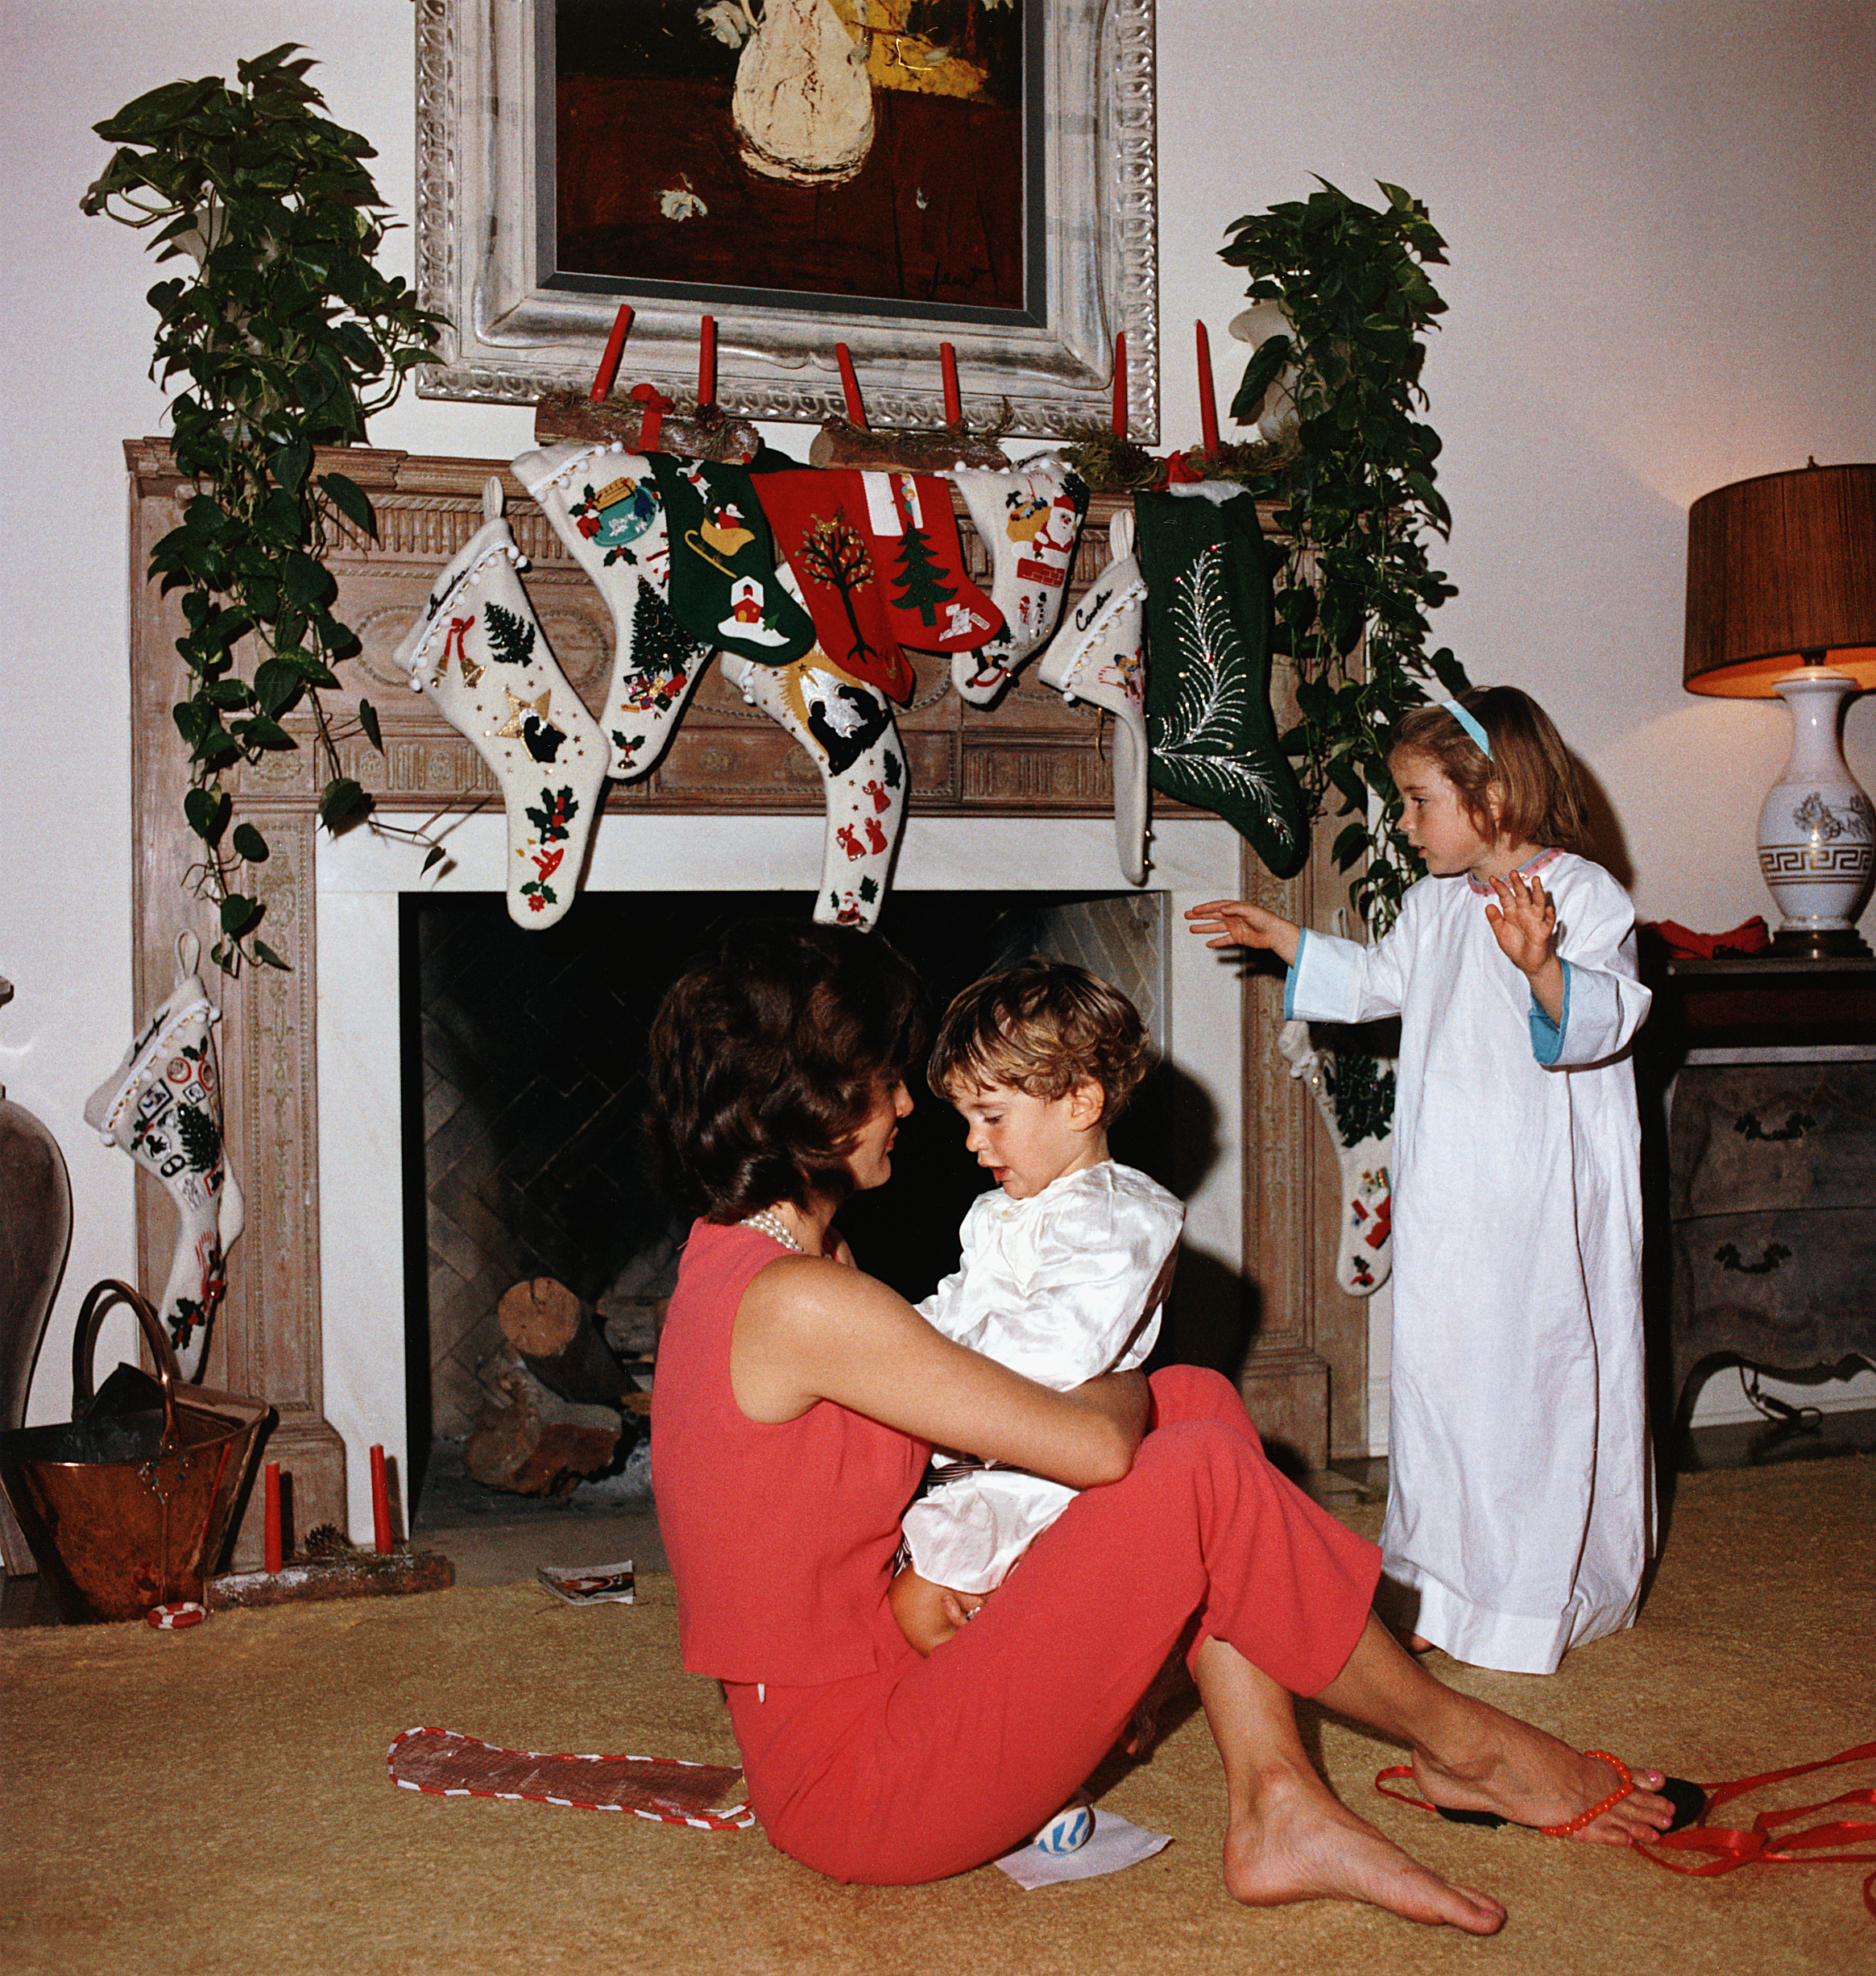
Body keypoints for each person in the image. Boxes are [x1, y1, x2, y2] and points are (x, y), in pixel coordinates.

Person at [646, 916, 1683, 1927]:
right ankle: (1465, 1744)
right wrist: (1124, 1371)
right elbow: (1099, 1445)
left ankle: (1278, 1799)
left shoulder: (765, 1260)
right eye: (884, 1076)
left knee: (1196, 1402)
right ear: (816, 1102)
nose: (908, 1102)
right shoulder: (804, 1303)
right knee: (1185, 1451)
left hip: (902, 1663)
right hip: (861, 1779)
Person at [1186, 686, 1653, 1676]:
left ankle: (1526, 1597)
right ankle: (1435, 1583)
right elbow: (1379, 982)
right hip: (1450, 1196)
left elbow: (1608, 1016)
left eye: (1418, 801)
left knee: (1530, 1383)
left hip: (1538, 1200)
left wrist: (1542, 968)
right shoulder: (1435, 904)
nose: (1403, 824)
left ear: (1495, 796)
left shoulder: (1582, 897)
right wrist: (1287, 941)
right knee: (1442, 1383)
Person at [889, 959, 1185, 1657]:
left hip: (1044, 1472)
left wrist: (928, 1373)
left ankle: (1039, 1696)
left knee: (919, 1605)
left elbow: (1059, 1346)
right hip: (980, 1455)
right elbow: (956, 1302)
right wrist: (889, 1338)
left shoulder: (1122, 1215)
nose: (972, 1140)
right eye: (966, 1119)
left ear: (1079, 1104)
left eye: (991, 1117)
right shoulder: (997, 1211)